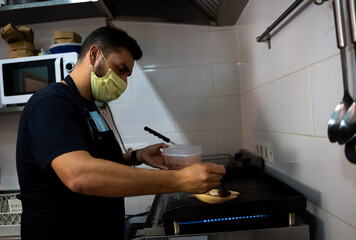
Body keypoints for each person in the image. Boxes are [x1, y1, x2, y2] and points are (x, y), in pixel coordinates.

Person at [16, 25, 226, 239]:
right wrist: (179, 180)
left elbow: (98, 160)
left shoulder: (89, 107)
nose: (124, 82)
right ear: (95, 54)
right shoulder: (51, 103)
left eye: (127, 74)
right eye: (120, 69)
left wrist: (136, 156)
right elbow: (80, 175)